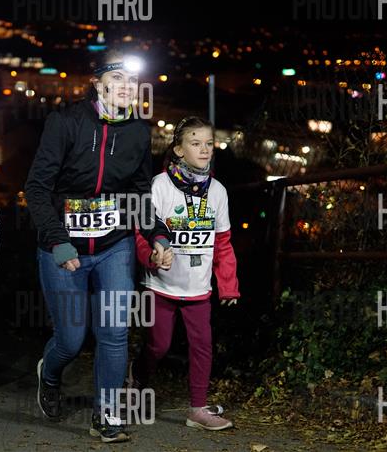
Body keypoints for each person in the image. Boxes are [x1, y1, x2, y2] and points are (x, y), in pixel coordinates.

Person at [25, 51, 173, 443]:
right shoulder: (65, 122)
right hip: (63, 249)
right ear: (98, 84)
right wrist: (57, 240)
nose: (126, 86)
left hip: (114, 245)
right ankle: (49, 375)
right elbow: (36, 188)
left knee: (114, 333)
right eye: (117, 78)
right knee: (71, 340)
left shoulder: (139, 132)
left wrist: (157, 235)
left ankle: (106, 415)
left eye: (132, 80)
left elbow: (139, 193)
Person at [130, 116, 240, 431]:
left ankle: (197, 409)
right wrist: (152, 256)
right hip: (160, 286)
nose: (204, 149)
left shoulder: (218, 191)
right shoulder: (159, 185)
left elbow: (223, 243)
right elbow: (141, 233)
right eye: (195, 143)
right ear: (178, 149)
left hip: (198, 289)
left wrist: (228, 285)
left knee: (202, 345)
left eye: (209, 143)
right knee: (158, 346)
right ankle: (137, 380)